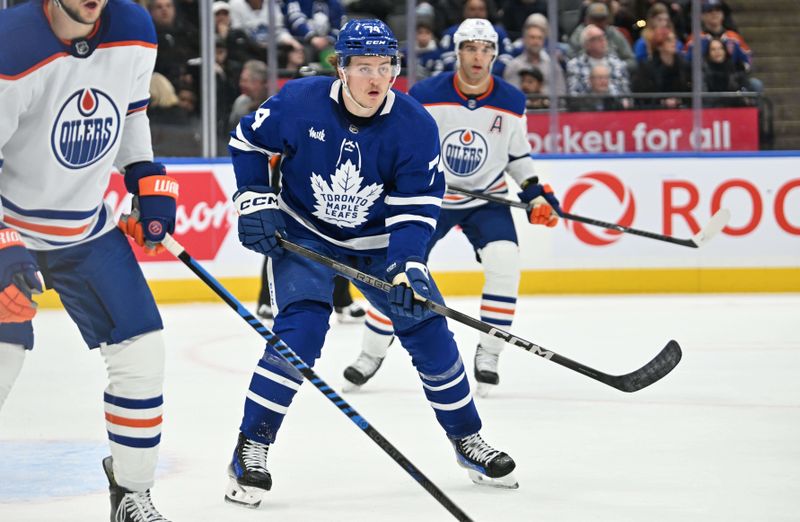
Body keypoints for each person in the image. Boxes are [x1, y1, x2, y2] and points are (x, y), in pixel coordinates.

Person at [224, 19, 519, 508]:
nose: (375, 79)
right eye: (363, 67)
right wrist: (254, 196)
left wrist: (408, 265)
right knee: (300, 334)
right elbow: (247, 142)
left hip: (379, 244)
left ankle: (468, 439)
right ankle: (251, 447)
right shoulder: (298, 101)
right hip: (305, 238)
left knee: (429, 332)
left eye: (385, 67)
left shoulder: (414, 124)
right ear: (340, 68)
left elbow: (418, 206)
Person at [0, 0, 178, 520]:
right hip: (12, 224)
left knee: (143, 351)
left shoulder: (135, 28)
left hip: (86, 229)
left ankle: (131, 492)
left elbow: (130, 115)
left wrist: (145, 175)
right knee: (5, 353)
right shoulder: (12, 42)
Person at [341, 19, 561, 397]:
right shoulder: (425, 93)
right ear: (457, 52)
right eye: (470, 48)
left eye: (486, 49)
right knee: (397, 273)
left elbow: (517, 155)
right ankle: (371, 352)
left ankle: (489, 353)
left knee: (505, 263)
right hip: (430, 198)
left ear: (495, 54)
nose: (478, 57)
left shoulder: (511, 100)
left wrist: (534, 192)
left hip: (484, 200)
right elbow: (401, 141)